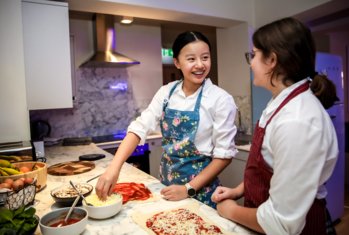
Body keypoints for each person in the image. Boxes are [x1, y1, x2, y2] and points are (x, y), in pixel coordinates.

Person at [211, 17, 339, 235]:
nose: (251, 63)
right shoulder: (280, 103)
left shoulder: (297, 121)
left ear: (271, 60)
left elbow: (281, 223)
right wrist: (238, 191)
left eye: (253, 54)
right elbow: (271, 170)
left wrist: (230, 210)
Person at [96, 31, 238, 208]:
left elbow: (224, 156)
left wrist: (188, 189)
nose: (200, 65)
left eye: (205, 57)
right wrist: (113, 169)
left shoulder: (220, 99)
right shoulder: (166, 93)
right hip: (166, 187)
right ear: (177, 62)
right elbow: (139, 128)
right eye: (191, 59)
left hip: (200, 192)